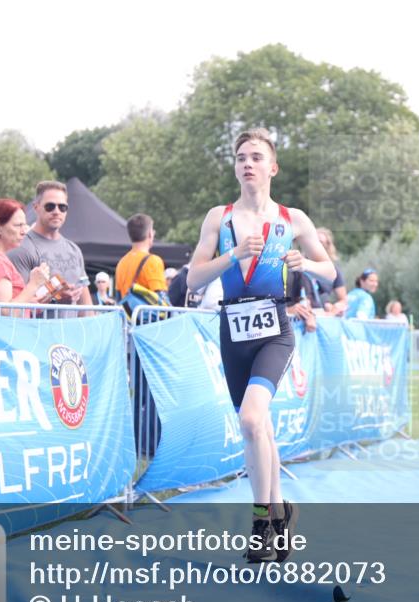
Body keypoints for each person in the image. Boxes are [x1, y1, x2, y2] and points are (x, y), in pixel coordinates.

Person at [187, 128, 335, 563]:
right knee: (258, 427)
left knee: (253, 418)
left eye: (255, 157)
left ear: (272, 167)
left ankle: (260, 521)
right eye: (240, 158)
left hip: (275, 327)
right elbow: (194, 278)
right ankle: (279, 510)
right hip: (233, 330)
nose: (247, 163)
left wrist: (303, 261)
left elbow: (330, 272)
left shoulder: (293, 219)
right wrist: (232, 256)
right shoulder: (220, 218)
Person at [8, 181, 92, 317]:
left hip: (70, 335)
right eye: (50, 206)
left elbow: (86, 303)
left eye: (62, 207)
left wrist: (91, 333)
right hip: (36, 334)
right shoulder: (22, 248)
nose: (56, 211)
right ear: (36, 207)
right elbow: (15, 304)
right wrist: (56, 298)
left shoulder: (74, 250)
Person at [114, 213, 168, 304]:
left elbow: (119, 297)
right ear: (150, 234)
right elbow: (161, 298)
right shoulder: (153, 261)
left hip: (127, 316)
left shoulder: (121, 263)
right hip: (149, 317)